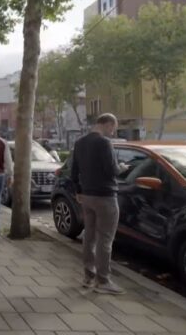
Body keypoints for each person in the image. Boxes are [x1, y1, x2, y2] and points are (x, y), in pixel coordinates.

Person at [70, 113, 128, 295]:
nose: (113, 132)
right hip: (105, 196)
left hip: (87, 196)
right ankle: (103, 281)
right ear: (108, 124)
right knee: (105, 239)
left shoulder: (80, 143)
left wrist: (78, 191)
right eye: (113, 128)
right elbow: (112, 171)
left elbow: (74, 171)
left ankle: (88, 277)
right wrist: (122, 167)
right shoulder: (104, 143)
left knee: (89, 237)